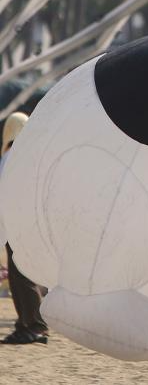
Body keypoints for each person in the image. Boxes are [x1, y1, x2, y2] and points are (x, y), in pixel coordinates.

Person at [1, 112, 48, 345]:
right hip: (30, 222)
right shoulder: (33, 155)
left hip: (16, 223)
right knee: (24, 274)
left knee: (21, 275)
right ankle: (26, 324)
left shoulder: (11, 156)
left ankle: (35, 326)